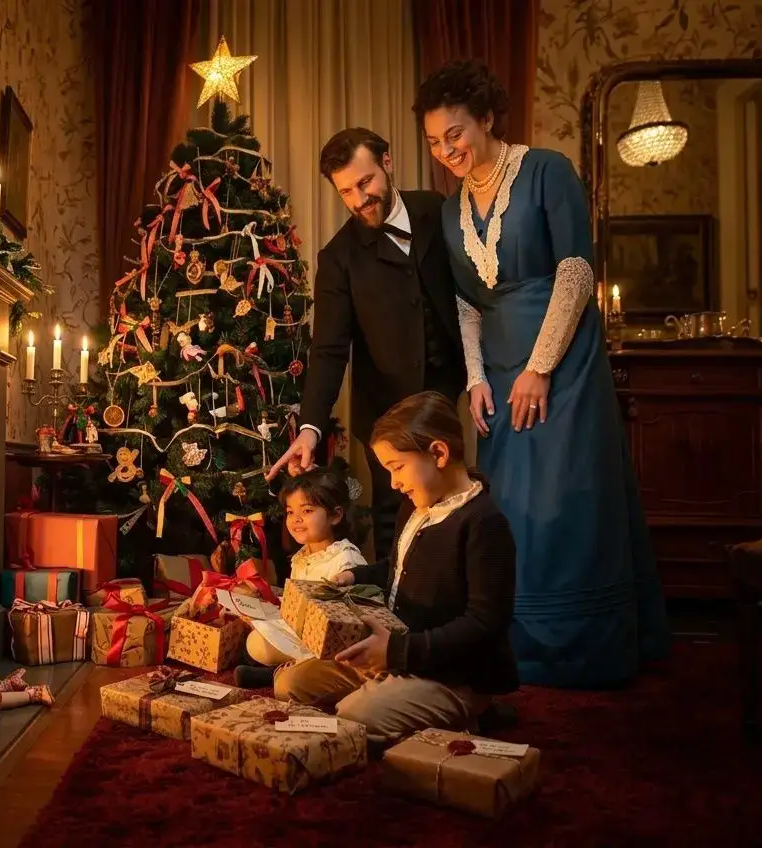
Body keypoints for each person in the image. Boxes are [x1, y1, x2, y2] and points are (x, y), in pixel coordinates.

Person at [414, 60, 670, 688]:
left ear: (487, 120)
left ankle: (585, 652)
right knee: (512, 512)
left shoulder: (547, 170)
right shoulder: (449, 213)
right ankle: (514, 648)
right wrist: (478, 378)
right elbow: (467, 304)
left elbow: (577, 273)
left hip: (565, 365)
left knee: (565, 502)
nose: (447, 150)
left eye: (456, 134)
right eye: (434, 141)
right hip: (500, 375)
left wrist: (539, 368)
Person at [266, 128, 466, 563]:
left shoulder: (436, 209)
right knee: (397, 522)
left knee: (455, 511)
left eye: (365, 183)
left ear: (387, 163)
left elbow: (472, 294)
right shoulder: (338, 258)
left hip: (450, 398)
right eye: (346, 192)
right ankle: (402, 615)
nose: (358, 199)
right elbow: (329, 350)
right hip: (386, 416)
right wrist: (309, 427)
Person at [272, 392, 518, 743]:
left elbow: (485, 622)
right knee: (289, 683)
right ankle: (387, 694)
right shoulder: (415, 506)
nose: (393, 483)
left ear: (438, 453)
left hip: (448, 675)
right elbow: (399, 566)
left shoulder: (484, 524)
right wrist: (355, 576)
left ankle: (472, 712)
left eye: (396, 468)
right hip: (397, 656)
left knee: (355, 716)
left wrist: (397, 652)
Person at [234, 469, 368, 687]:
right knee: (253, 634)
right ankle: (277, 670)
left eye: (306, 511)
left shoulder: (345, 559)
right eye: (290, 512)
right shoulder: (301, 556)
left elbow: (351, 625)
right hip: (299, 630)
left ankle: (278, 673)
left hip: (326, 643)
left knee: (259, 644)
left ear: (335, 515)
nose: (296, 520)